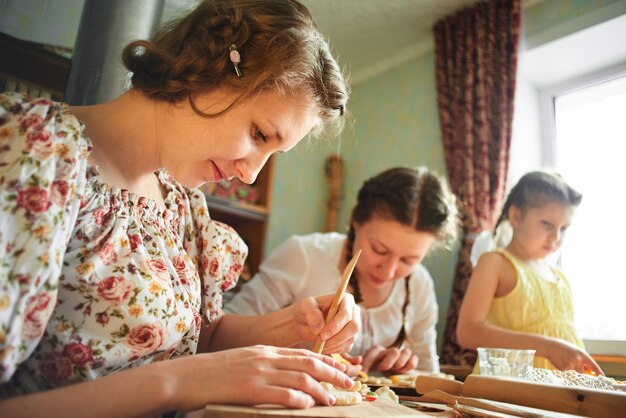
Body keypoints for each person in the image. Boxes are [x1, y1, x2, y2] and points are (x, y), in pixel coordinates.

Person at [0, 1, 361, 416]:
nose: (249, 176)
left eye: (273, 152)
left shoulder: (181, 205)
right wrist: (182, 381)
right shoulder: (38, 154)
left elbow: (195, 340)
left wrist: (292, 326)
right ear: (211, 67)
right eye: (259, 133)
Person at [226, 167, 459, 375]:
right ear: (355, 221)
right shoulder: (303, 256)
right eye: (379, 250)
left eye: (409, 260)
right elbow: (220, 339)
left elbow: (429, 375)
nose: (388, 272)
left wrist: (401, 368)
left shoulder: (418, 284)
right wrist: (293, 335)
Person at [457, 170, 603, 375]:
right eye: (547, 224)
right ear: (516, 216)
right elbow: (468, 332)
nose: (556, 236)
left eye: (564, 228)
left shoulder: (559, 277)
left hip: (556, 396)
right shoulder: (495, 263)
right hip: (508, 393)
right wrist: (546, 347)